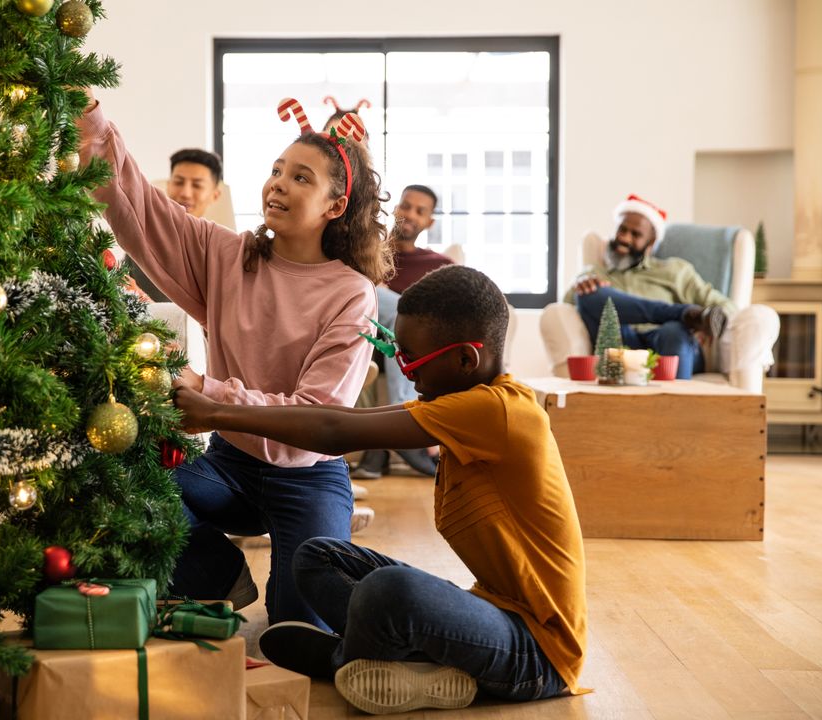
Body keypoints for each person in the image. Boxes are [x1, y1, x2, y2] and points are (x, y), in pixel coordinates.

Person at [172, 265, 586, 715]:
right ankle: (391, 662)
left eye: (411, 362)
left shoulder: (497, 411)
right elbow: (345, 420)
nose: (407, 373)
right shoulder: (466, 404)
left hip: (538, 655)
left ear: (467, 360)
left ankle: (348, 658)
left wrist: (216, 412)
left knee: (393, 590)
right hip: (491, 613)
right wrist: (218, 411)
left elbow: (334, 430)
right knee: (318, 556)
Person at [79, 93, 392, 627]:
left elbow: (315, 415)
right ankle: (220, 577)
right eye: (276, 170)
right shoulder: (227, 254)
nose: (278, 183)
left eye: (300, 178)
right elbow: (138, 205)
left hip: (309, 478)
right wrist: (90, 115)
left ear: (334, 206)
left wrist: (209, 390)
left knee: (297, 626)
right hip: (230, 465)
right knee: (124, 490)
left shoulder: (351, 293)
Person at [565, 194, 732, 379]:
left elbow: (725, 306)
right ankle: (683, 313)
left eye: (635, 234)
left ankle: (676, 402)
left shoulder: (674, 271)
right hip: (622, 345)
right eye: (622, 229)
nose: (625, 238)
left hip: (669, 345)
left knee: (675, 331)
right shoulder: (594, 273)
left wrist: (705, 326)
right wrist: (579, 287)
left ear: (651, 243)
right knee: (588, 293)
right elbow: (566, 307)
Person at [350, 184, 452, 479]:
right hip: (364, 340)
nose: (410, 214)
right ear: (395, 208)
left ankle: (376, 454)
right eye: (406, 206)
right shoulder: (368, 252)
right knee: (379, 297)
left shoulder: (438, 265)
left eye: (420, 211)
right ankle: (404, 419)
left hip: (407, 351)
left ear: (429, 222)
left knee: (406, 314)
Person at [130, 148, 227, 303]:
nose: (185, 193)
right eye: (179, 182)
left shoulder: (225, 253)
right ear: (168, 186)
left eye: (197, 185)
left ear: (215, 195)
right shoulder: (140, 244)